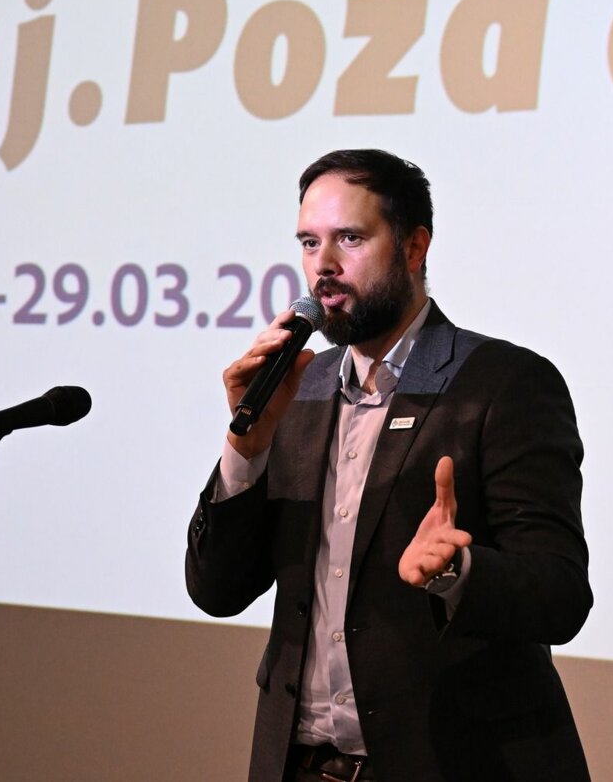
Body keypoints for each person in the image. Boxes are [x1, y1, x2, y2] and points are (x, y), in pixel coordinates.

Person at [185, 149, 592, 782]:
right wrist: (247, 449)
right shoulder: (295, 388)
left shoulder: (504, 384)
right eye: (309, 242)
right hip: (299, 764)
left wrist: (457, 571)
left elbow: (561, 595)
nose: (323, 264)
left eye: (349, 238)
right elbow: (217, 590)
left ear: (414, 247)